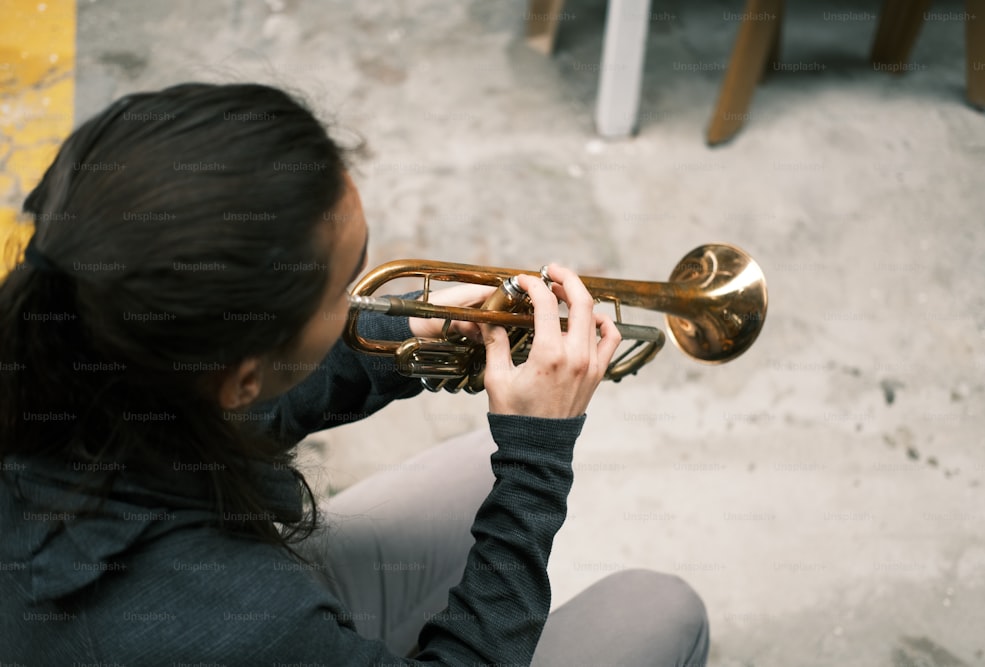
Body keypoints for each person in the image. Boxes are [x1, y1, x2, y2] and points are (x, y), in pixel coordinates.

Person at [0, 83, 709, 665]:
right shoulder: (241, 622)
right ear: (240, 377)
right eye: (345, 287)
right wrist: (538, 456)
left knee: (474, 470)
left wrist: (411, 328)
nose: (365, 294)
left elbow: (200, 414)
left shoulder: (64, 334)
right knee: (659, 610)